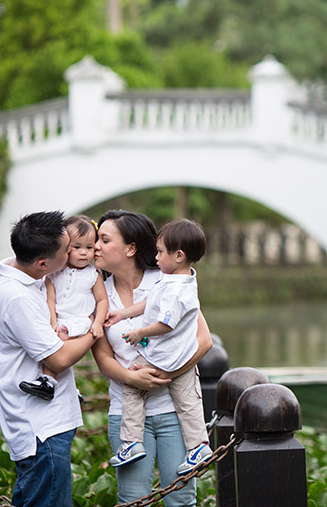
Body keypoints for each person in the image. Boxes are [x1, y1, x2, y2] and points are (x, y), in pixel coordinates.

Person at [91, 210, 213, 507]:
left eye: (104, 240)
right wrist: (133, 378)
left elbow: (204, 340)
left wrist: (165, 374)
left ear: (130, 249)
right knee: (132, 500)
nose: (95, 246)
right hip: (126, 411)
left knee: (181, 499)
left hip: (173, 409)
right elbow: (103, 358)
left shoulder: (168, 281)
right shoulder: (96, 295)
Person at [0, 211, 97, 507]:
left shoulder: (27, 275)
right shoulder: (18, 298)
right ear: (43, 263)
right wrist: (95, 327)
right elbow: (59, 359)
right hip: (41, 430)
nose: (74, 252)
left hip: (44, 424)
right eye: (67, 249)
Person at [19, 215, 107, 401]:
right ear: (66, 248)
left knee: (59, 346)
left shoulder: (94, 275)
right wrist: (52, 321)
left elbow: (102, 300)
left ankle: (49, 382)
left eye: (89, 247)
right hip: (59, 318)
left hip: (80, 321)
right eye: (77, 247)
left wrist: (97, 322)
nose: (84, 253)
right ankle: (67, 389)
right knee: (53, 341)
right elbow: (50, 298)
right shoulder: (56, 272)